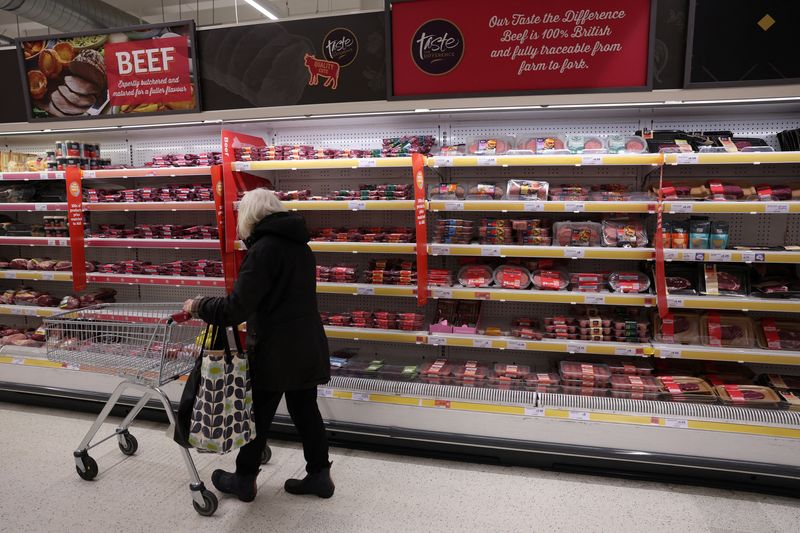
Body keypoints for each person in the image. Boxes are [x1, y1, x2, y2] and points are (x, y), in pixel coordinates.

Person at [183, 187, 333, 503]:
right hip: (307, 344)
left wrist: (198, 305)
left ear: (248, 216)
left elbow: (234, 309)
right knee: (305, 409)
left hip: (276, 349)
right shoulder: (301, 247)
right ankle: (320, 475)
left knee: (258, 414)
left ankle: (244, 479)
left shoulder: (264, 250)